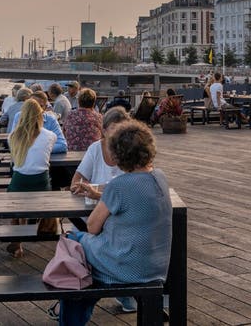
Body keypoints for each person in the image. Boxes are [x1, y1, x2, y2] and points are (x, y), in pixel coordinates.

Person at [57, 121, 172, 326]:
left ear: (119, 154)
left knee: (73, 240)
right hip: (155, 266)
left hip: (125, 266)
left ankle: (70, 321)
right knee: (85, 255)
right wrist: (102, 195)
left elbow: (92, 227)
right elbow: (132, 201)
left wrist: (100, 196)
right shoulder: (160, 177)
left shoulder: (119, 185)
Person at [7, 98, 57, 257]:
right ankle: (45, 227)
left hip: (19, 182)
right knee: (51, 188)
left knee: (15, 205)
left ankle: (17, 241)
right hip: (40, 183)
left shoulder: (12, 136)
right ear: (40, 115)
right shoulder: (50, 135)